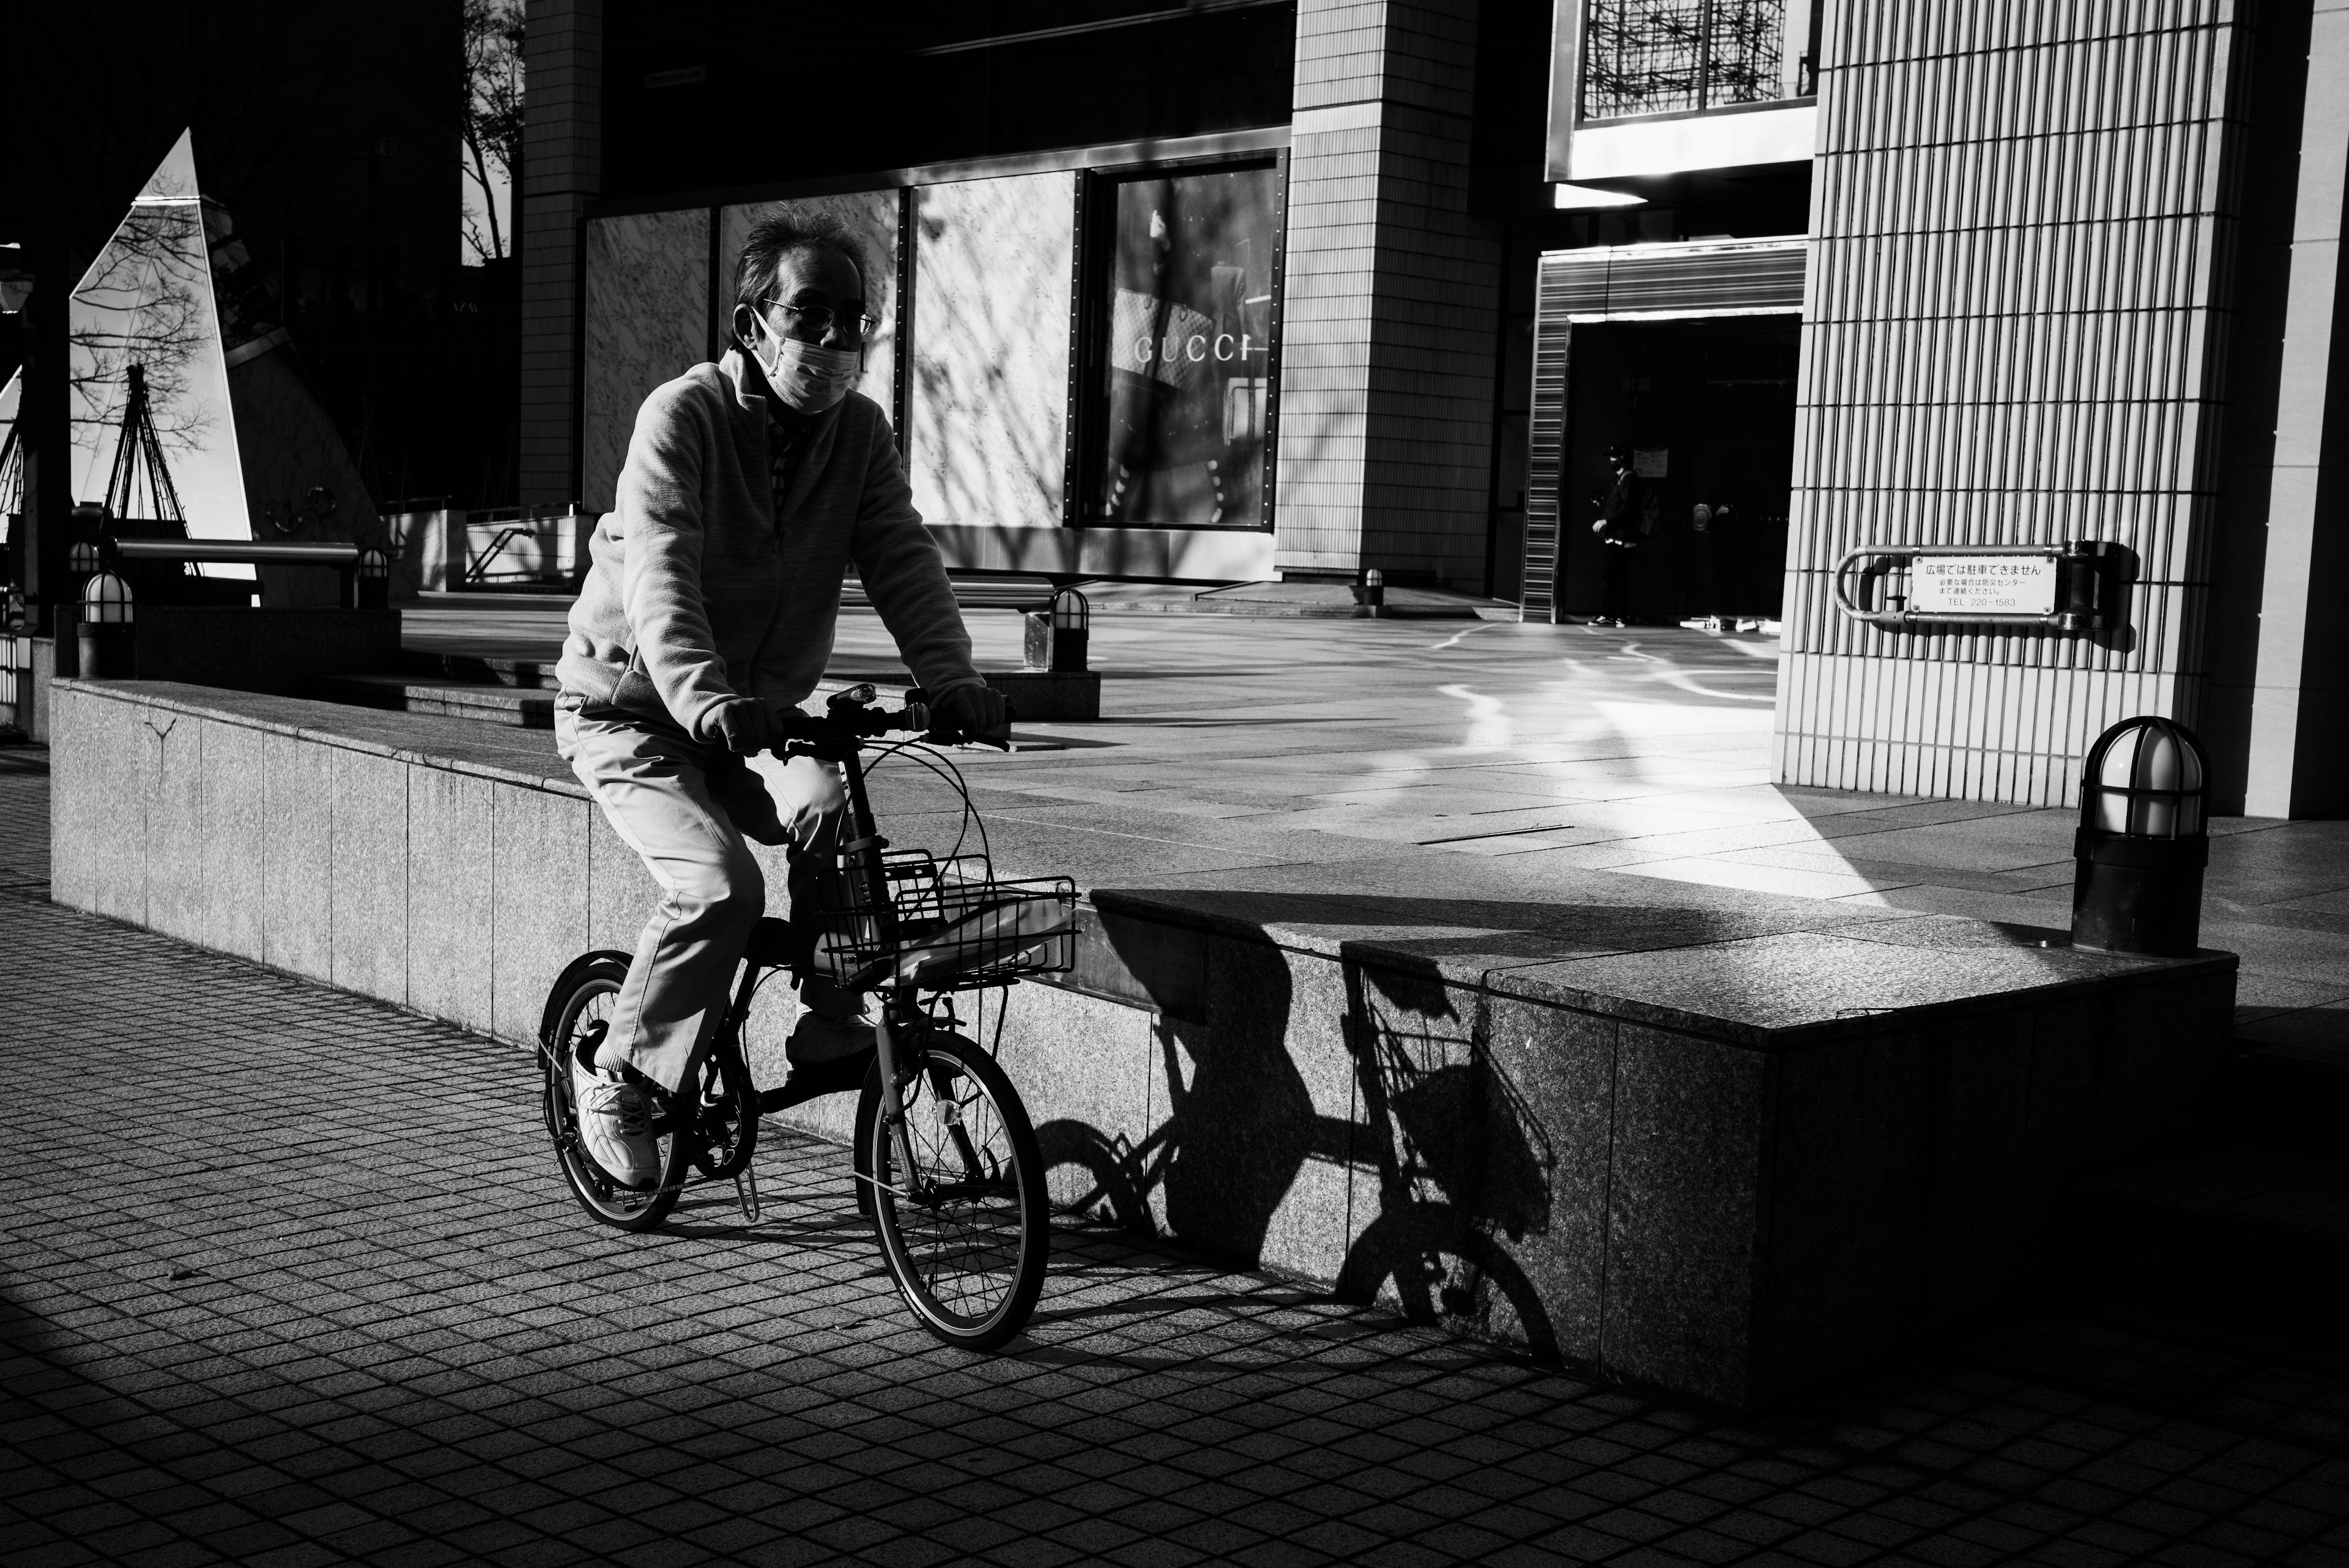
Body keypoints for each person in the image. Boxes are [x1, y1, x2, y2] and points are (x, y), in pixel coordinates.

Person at [552, 212, 1004, 1188]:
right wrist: (706, 697)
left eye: (856, 318)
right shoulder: (682, 417)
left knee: (834, 811)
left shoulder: (861, 435)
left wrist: (953, 678)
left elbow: (900, 555)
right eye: (813, 314)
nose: (837, 340)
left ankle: (834, 1023)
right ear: (754, 321)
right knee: (721, 886)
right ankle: (621, 1072)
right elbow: (661, 570)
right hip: (632, 709)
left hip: (754, 712)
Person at [1589, 444, 1647, 626]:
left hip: (1621, 537)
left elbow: (1628, 509)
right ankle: (1619, 614)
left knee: (1611, 576)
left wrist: (1606, 522)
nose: (1611, 461)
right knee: (1619, 577)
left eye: (1614, 457)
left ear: (1622, 458)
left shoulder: (1628, 479)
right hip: (1620, 537)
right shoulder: (1621, 479)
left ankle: (1610, 614)